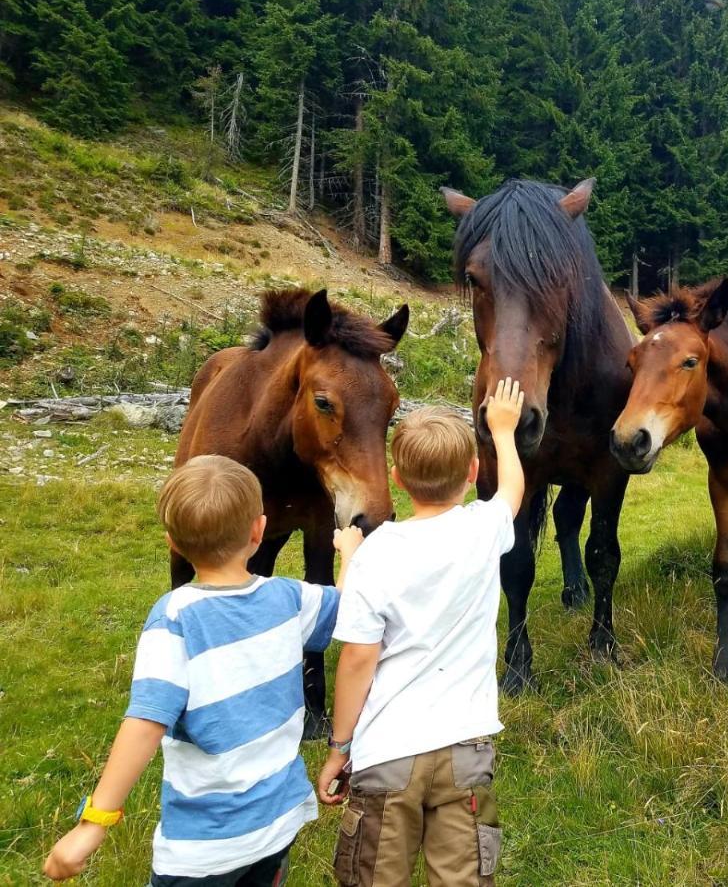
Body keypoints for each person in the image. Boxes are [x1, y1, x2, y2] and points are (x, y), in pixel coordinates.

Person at [43, 454, 363, 885]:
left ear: (171, 542)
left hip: (203, 848)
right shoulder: (288, 599)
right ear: (259, 530)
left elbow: (144, 723)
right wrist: (350, 556)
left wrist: (94, 823)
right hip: (276, 824)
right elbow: (342, 606)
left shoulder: (175, 618)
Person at [318, 377, 526, 887]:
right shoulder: (483, 530)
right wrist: (503, 430)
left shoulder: (377, 554)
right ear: (472, 472)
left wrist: (339, 747)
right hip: (466, 750)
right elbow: (513, 491)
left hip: (388, 755)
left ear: (396, 478)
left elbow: (357, 660)